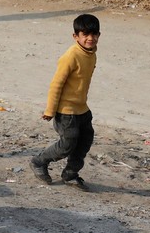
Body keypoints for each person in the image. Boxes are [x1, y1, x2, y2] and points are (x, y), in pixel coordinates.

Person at [30, 14, 101, 190]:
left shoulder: (91, 54)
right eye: (85, 34)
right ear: (75, 36)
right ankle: (39, 162)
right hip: (66, 111)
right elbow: (56, 84)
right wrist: (50, 110)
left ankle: (70, 174)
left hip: (82, 109)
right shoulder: (71, 56)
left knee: (85, 141)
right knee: (67, 145)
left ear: (99, 35)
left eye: (94, 34)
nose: (90, 38)